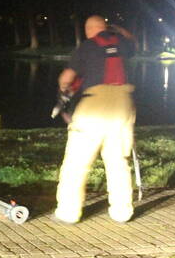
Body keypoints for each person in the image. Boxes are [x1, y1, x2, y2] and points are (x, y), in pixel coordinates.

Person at [53, 15, 137, 224]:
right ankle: (122, 212)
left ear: (90, 30)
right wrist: (117, 28)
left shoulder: (87, 47)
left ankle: (68, 212)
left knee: (76, 164)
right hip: (123, 105)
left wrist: (63, 98)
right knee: (118, 162)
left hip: (94, 106)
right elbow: (133, 41)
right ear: (106, 28)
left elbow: (66, 78)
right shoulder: (123, 44)